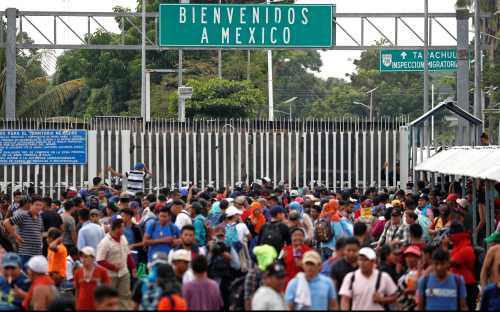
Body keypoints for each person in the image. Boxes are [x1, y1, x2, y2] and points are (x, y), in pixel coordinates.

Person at [96, 218, 133, 310]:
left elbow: (127, 253)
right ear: (116, 228)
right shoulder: (105, 242)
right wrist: (112, 267)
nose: (124, 229)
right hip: (110, 275)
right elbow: (100, 260)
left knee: (125, 295)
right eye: (122, 227)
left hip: (124, 272)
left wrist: (133, 267)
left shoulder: (123, 238)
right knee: (109, 297)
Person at [3, 196, 44, 267]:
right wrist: (16, 236)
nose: (38, 207)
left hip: (37, 253)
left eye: (40, 205)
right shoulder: (23, 215)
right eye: (37, 205)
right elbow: (6, 222)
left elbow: (40, 231)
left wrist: (40, 242)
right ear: (31, 205)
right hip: (26, 253)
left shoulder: (39, 217)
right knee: (25, 274)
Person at [446, 222, 477, 311]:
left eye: (450, 234)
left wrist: (444, 247)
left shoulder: (466, 248)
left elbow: (449, 262)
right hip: (455, 283)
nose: (449, 237)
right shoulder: (457, 246)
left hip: (467, 285)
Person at [73, 246, 110, 310]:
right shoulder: (78, 272)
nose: (83, 259)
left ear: (93, 258)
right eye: (82, 257)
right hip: (81, 306)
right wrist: (76, 306)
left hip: (97, 306)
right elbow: (77, 291)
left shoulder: (102, 272)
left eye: (86, 257)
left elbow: (107, 291)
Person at [397, 246, 422, 311]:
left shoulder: (418, 273)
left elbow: (413, 290)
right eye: (407, 256)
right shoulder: (407, 271)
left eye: (411, 256)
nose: (408, 259)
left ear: (418, 258)